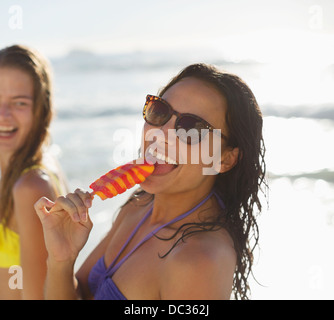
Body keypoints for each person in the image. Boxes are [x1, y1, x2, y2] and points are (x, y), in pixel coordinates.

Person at [35, 63, 266, 300]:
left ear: (226, 159)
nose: (160, 134)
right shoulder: (140, 205)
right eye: (159, 111)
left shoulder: (199, 261)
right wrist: (61, 260)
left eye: (191, 127)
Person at [0, 45, 68, 299]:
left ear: (41, 109)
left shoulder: (30, 187)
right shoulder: (43, 163)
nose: (3, 115)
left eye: (19, 103)